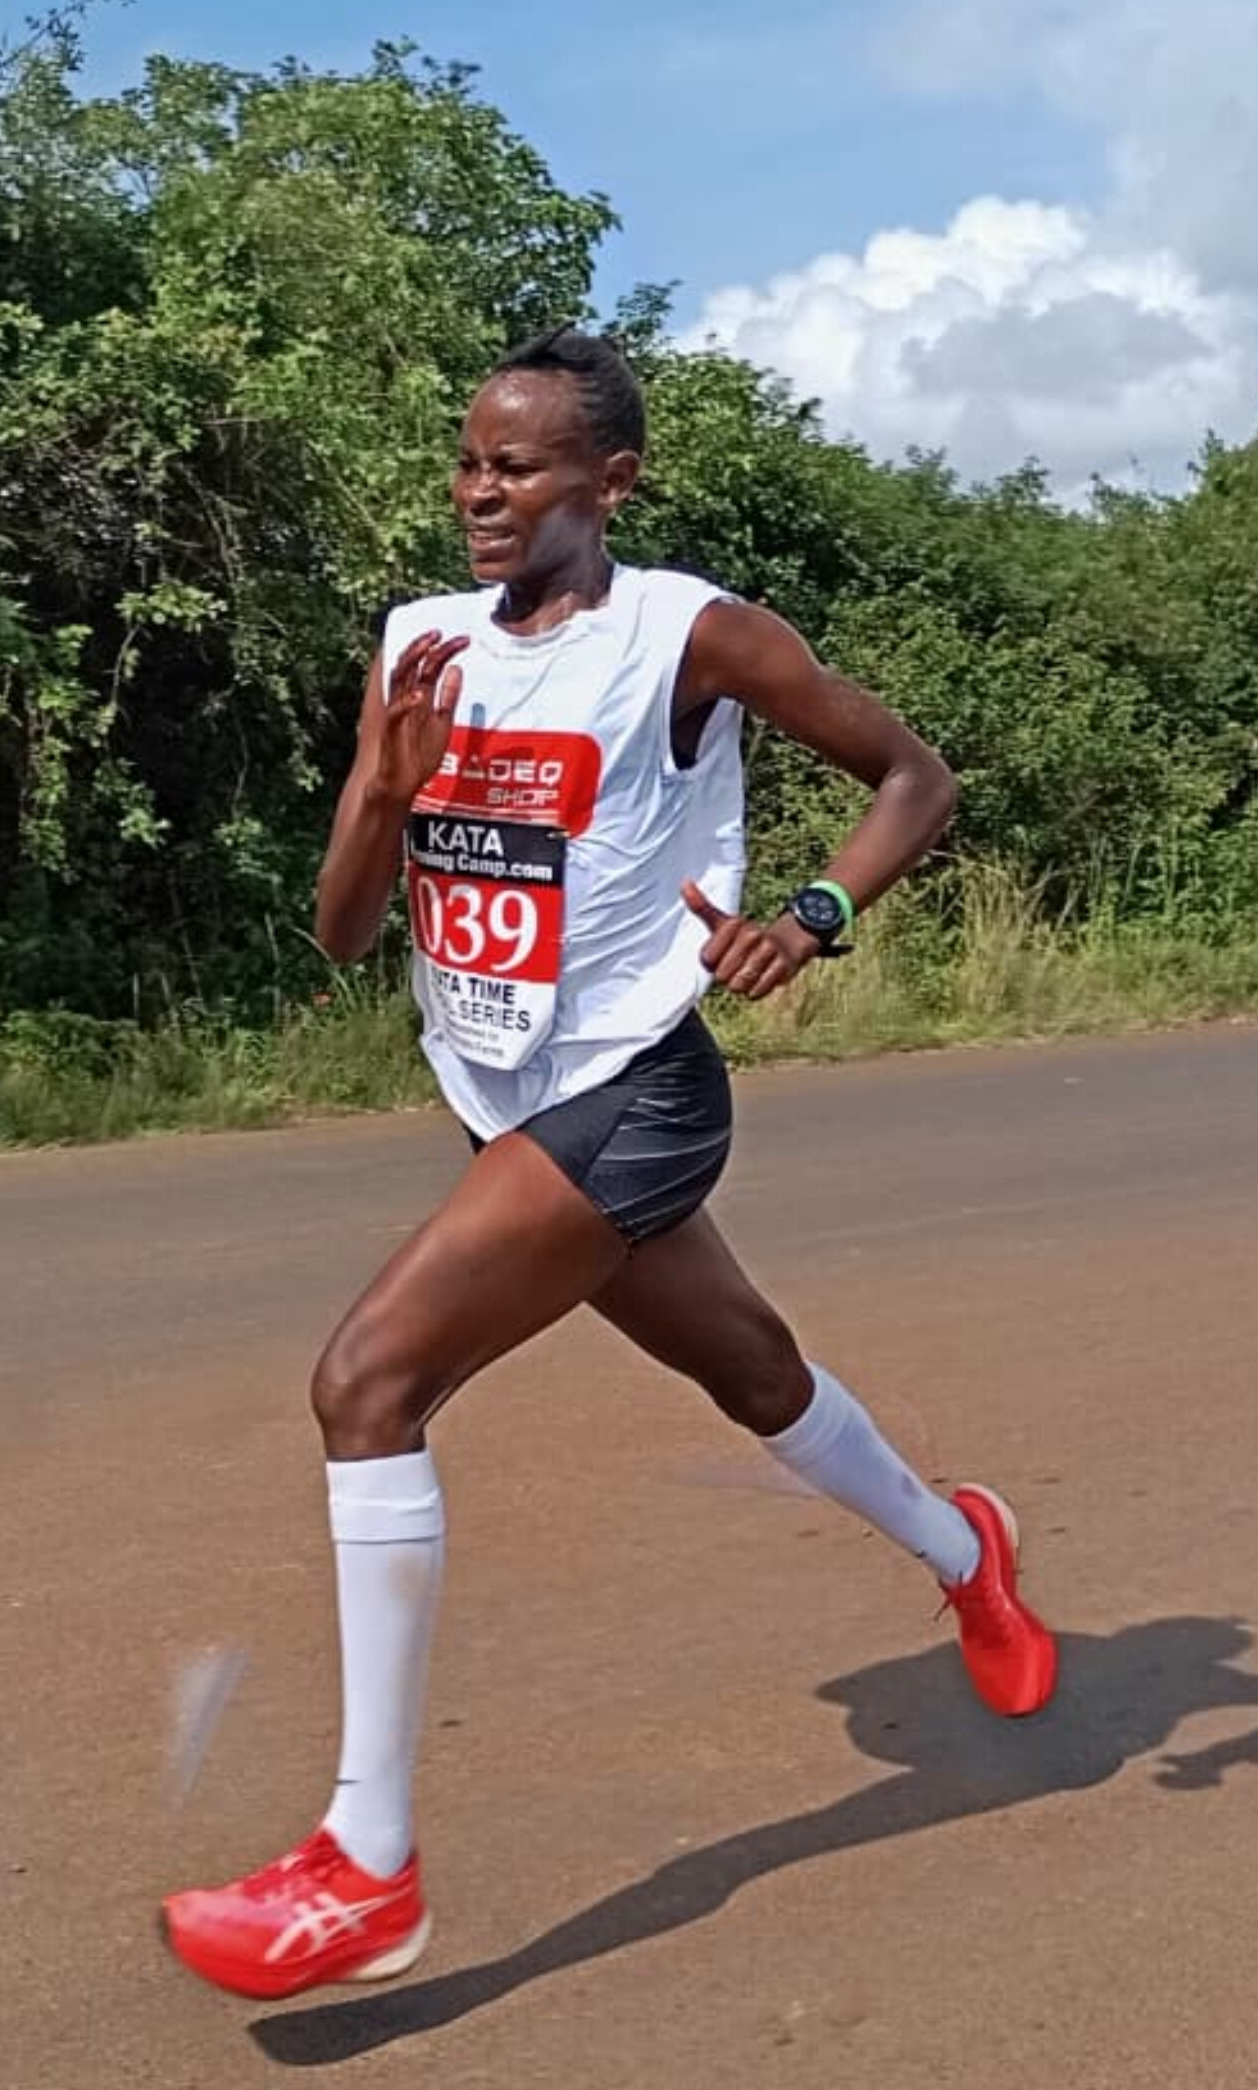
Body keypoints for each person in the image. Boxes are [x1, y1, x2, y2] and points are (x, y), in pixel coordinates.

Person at [162, 328, 1058, 2001]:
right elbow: (344, 933)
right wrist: (382, 791)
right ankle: (968, 1554)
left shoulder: (689, 633)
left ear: (612, 480)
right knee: (757, 1374)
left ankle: (365, 1863)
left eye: (517, 466)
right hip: (500, 1096)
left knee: (368, 1380)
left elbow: (912, 777)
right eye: (468, 461)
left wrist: (814, 914)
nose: (479, 492)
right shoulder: (420, 643)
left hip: (637, 1090)